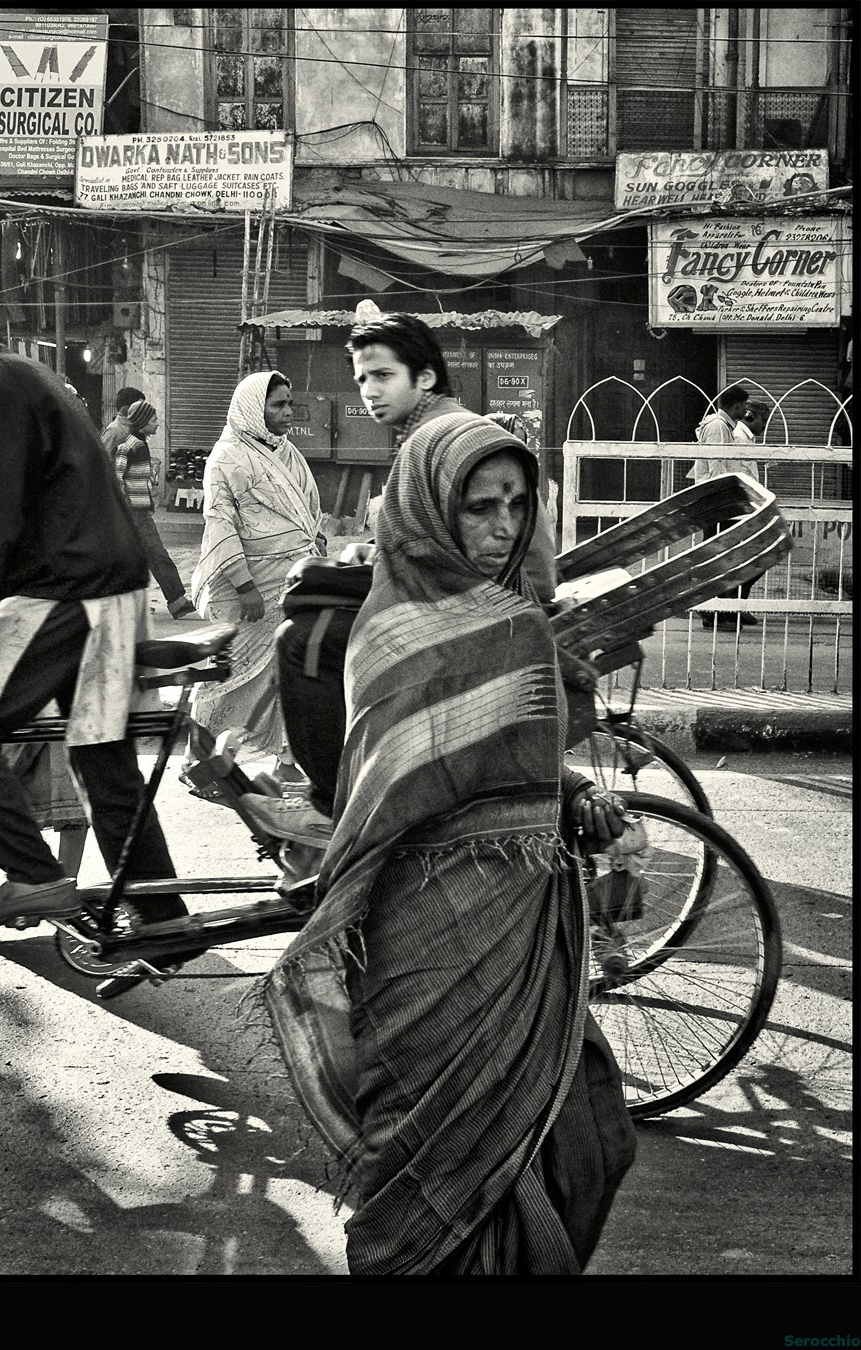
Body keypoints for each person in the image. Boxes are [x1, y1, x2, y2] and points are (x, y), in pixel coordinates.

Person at [262, 413, 637, 1275]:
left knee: (591, 1139)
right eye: (480, 507)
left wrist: (571, 789)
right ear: (428, 510)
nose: (503, 528)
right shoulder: (394, 633)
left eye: (517, 506)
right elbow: (390, 789)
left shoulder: (513, 620)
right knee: (431, 1181)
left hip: (521, 936)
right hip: (427, 944)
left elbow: (504, 760)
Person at [0, 239, 193, 987]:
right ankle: (167, 921)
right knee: (101, 759)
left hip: (72, 592)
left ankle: (32, 873)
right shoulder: (12, 378)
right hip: (105, 588)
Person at [245, 316, 563, 845]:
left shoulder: (441, 439)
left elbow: (492, 551)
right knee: (315, 604)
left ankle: (334, 806)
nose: (369, 391)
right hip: (460, 600)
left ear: (426, 379)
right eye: (362, 379)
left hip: (485, 613)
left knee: (306, 640)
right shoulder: (426, 437)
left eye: (383, 376)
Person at [190, 370, 325, 780]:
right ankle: (204, 759)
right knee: (229, 677)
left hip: (291, 584)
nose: (288, 412)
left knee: (286, 674)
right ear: (254, 409)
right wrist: (245, 584)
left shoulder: (286, 452)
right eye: (278, 405)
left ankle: (287, 762)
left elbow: (308, 508)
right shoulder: (227, 456)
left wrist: (315, 543)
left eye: (289, 403)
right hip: (248, 589)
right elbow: (220, 524)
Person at [111, 399, 198, 620]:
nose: (158, 423)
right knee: (158, 555)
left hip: (140, 512)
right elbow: (116, 479)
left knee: (141, 559)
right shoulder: (127, 447)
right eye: (153, 419)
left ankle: (143, 603)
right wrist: (128, 508)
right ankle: (176, 601)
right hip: (135, 514)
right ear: (141, 423)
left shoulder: (140, 444)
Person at [690, 385, 756, 631]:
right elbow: (717, 465)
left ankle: (720, 611)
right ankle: (712, 612)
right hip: (716, 501)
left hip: (718, 501)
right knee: (716, 557)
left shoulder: (723, 426)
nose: (745, 410)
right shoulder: (718, 426)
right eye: (744, 405)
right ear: (736, 405)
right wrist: (725, 501)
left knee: (721, 556)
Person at [99, 385, 145, 459]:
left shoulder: (134, 428)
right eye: (139, 406)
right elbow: (102, 459)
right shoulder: (114, 430)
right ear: (126, 408)